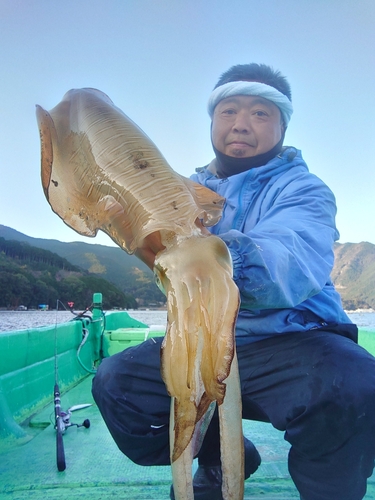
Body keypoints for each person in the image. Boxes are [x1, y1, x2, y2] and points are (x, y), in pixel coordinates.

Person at [92, 63, 375, 500]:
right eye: (229, 111)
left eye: (261, 113)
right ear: (213, 122)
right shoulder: (179, 190)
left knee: (355, 385)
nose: (241, 124)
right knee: (116, 384)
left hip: (293, 340)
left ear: (282, 126)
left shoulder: (304, 189)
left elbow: (292, 257)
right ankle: (221, 452)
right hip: (200, 341)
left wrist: (222, 257)